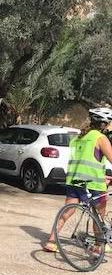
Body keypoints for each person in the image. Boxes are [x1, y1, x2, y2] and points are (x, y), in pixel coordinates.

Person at [42, 107, 112, 253]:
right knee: (98, 216)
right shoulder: (100, 138)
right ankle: (99, 246)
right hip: (93, 182)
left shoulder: (79, 137)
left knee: (67, 212)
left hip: (75, 180)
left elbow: (85, 159)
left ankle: (51, 241)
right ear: (104, 124)